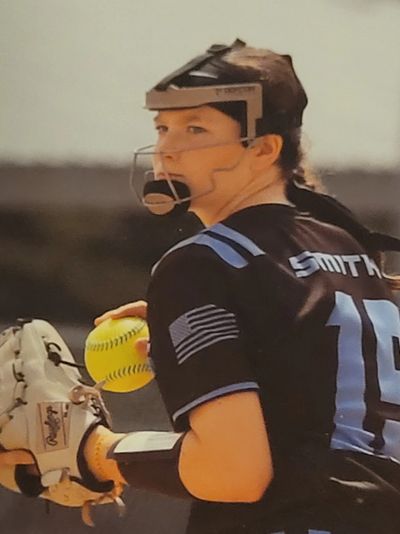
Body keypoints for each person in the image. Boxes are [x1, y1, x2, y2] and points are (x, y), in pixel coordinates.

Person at [3, 39, 400, 533]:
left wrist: (94, 451)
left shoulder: (202, 264)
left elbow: (234, 474)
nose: (168, 146)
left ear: (263, 148)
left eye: (196, 128)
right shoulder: (351, 252)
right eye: (163, 127)